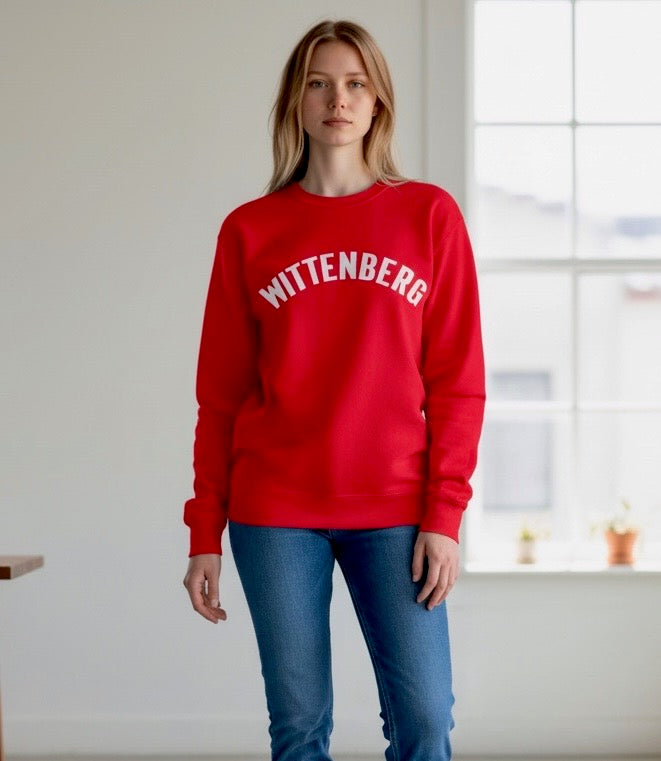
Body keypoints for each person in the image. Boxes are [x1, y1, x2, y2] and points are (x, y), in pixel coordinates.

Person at [182, 18, 485, 761]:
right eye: (318, 83)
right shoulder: (250, 230)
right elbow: (219, 397)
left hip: (398, 509)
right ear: (296, 100)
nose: (337, 99)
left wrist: (444, 514)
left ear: (378, 101)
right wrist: (204, 532)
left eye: (354, 83)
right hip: (275, 512)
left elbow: (458, 384)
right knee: (299, 727)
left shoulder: (429, 216)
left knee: (424, 720)